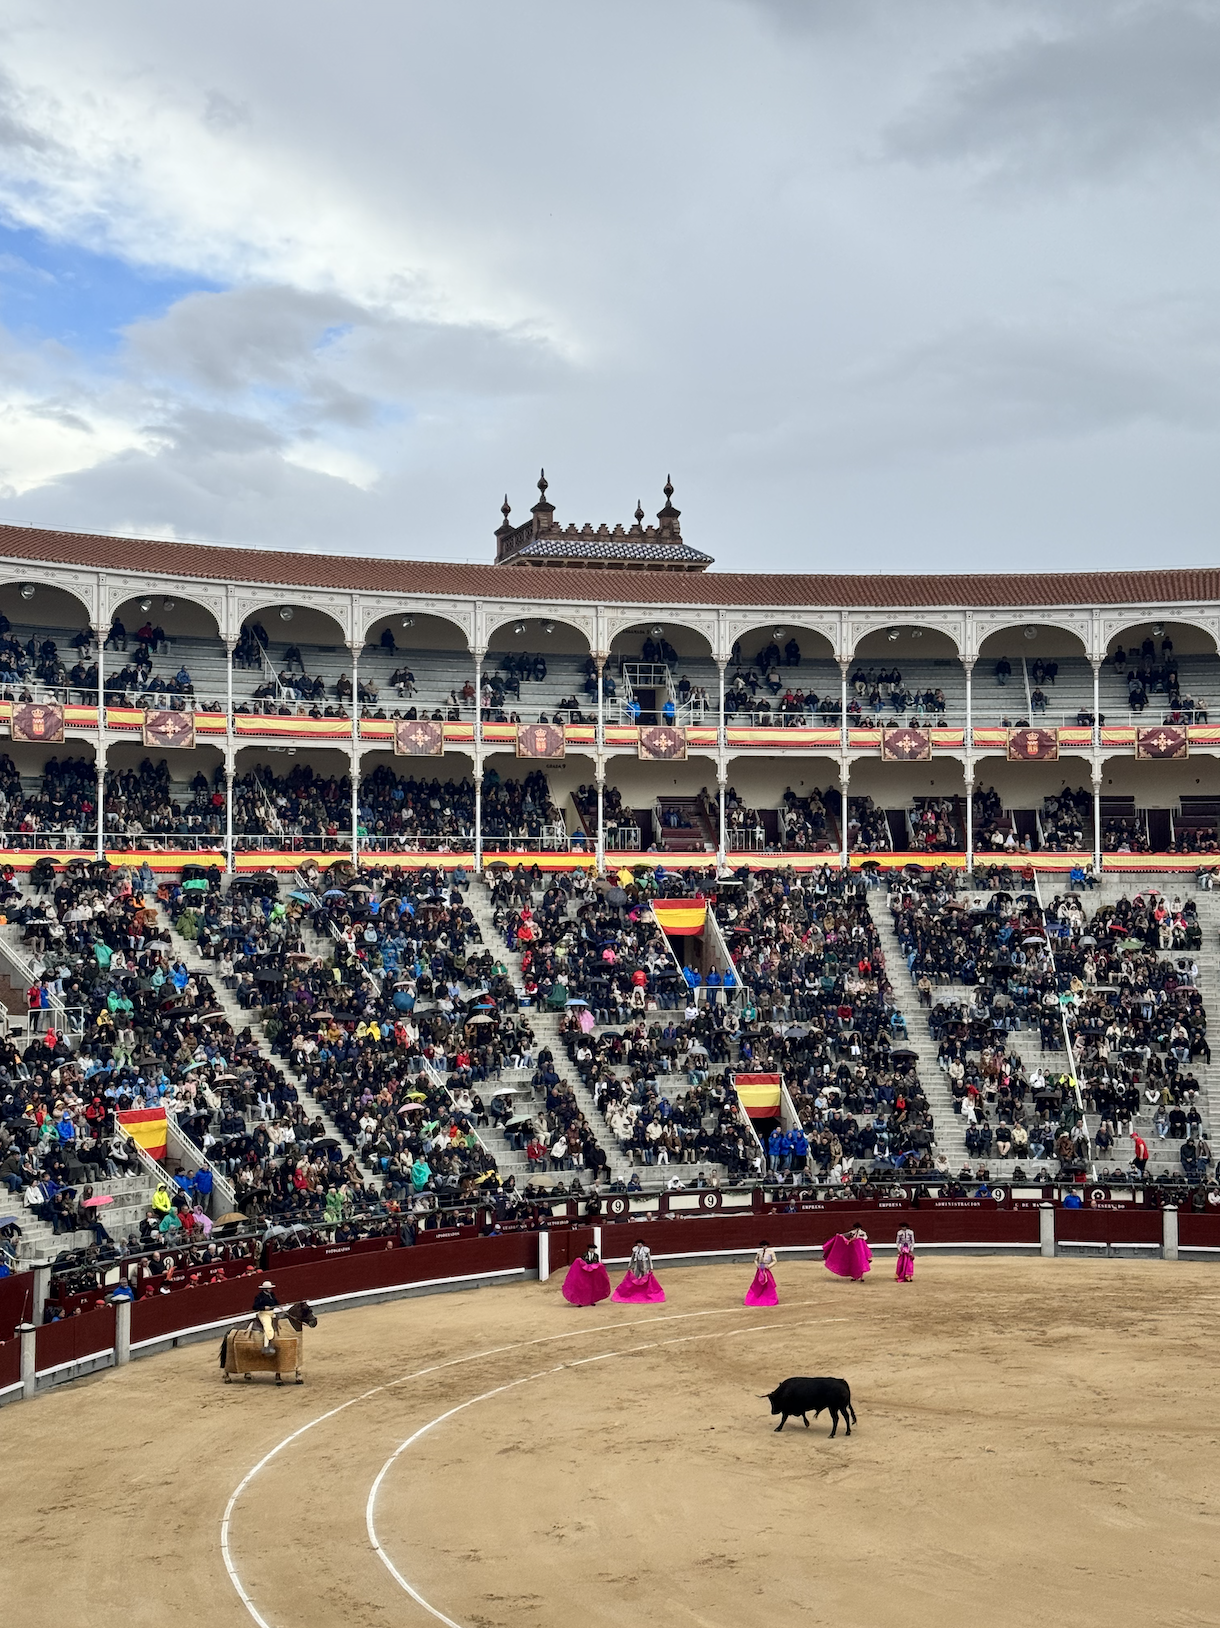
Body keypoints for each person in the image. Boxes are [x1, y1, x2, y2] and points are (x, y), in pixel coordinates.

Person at [610, 1238, 666, 1303]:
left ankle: (644, 1292)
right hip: (637, 1264)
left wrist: (651, 1267)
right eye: (638, 1243)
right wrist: (630, 1266)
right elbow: (632, 1258)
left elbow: (649, 1259)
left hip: (644, 1264)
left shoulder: (646, 1250)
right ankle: (635, 1291)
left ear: (642, 1244)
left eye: (639, 1243)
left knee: (644, 1278)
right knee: (635, 1278)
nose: (638, 1244)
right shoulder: (635, 1249)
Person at [744, 1240, 779, 1306]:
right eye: (763, 1245)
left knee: (769, 1283)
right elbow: (755, 1260)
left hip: (766, 1268)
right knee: (757, 1283)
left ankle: (769, 1297)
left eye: (765, 1245)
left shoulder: (770, 1252)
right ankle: (756, 1296)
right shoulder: (759, 1252)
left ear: (767, 1245)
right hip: (760, 1268)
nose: (764, 1247)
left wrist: (769, 1266)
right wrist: (757, 1265)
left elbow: (775, 1260)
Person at [252, 1277, 281, 1351]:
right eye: (269, 1288)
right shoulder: (259, 1296)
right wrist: (264, 1308)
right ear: (265, 1289)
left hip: (272, 1313)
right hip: (264, 1314)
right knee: (268, 1327)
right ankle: (266, 1346)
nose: (270, 1289)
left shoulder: (271, 1294)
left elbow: (276, 1302)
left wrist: (278, 1305)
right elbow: (255, 1306)